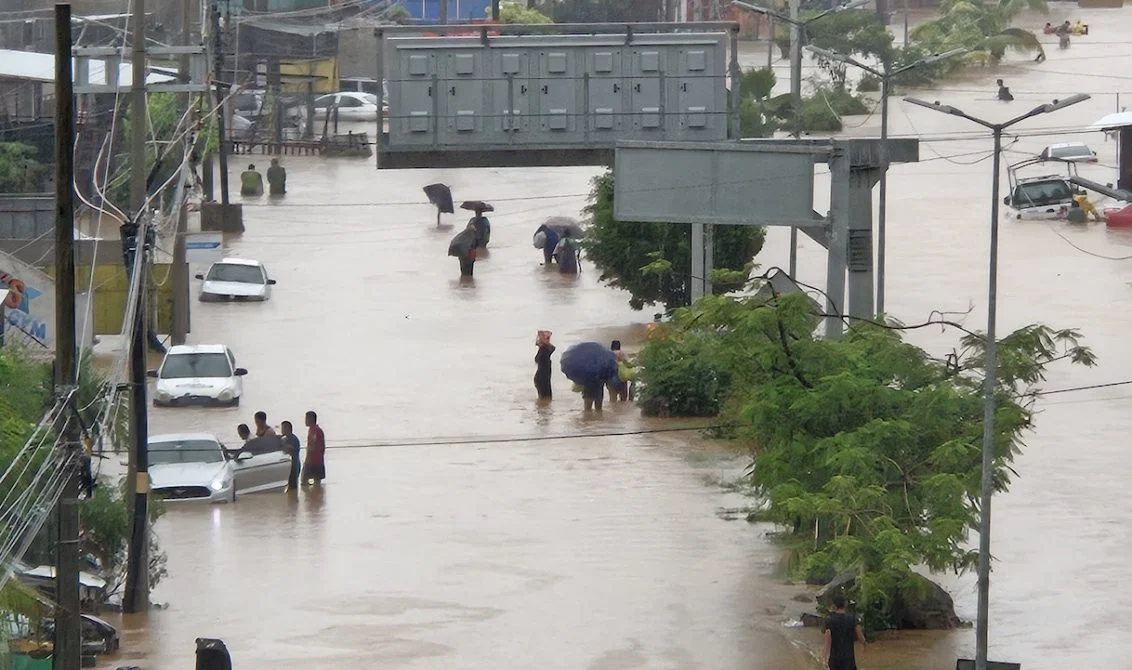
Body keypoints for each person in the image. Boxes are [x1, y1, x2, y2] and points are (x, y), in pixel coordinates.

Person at [823, 592, 866, 670]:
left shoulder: (830, 620)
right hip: (849, 658)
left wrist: (824, 659)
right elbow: (860, 636)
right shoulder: (852, 618)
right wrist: (864, 644)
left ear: (834, 605)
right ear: (845, 604)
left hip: (835, 659)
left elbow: (827, 641)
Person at [302, 410, 326, 486]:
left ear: (311, 419)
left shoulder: (313, 430)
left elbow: (312, 445)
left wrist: (307, 459)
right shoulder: (318, 429)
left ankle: (310, 496)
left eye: (306, 419)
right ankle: (316, 495)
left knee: (304, 481)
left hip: (312, 460)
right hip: (319, 459)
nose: (305, 421)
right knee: (317, 482)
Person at [280, 420, 302, 491]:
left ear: (287, 429)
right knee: (291, 487)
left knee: (293, 488)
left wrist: (282, 445)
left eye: (283, 428)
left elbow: (290, 449)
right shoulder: (287, 438)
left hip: (294, 466)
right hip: (291, 465)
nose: (282, 430)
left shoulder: (293, 439)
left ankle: (294, 501)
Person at [534, 330, 555, 399]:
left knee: (544, 400)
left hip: (542, 378)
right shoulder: (544, 350)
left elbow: (552, 348)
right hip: (542, 379)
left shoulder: (543, 350)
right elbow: (552, 348)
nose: (549, 340)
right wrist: (542, 338)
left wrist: (542, 337)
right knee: (547, 398)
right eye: (547, 338)